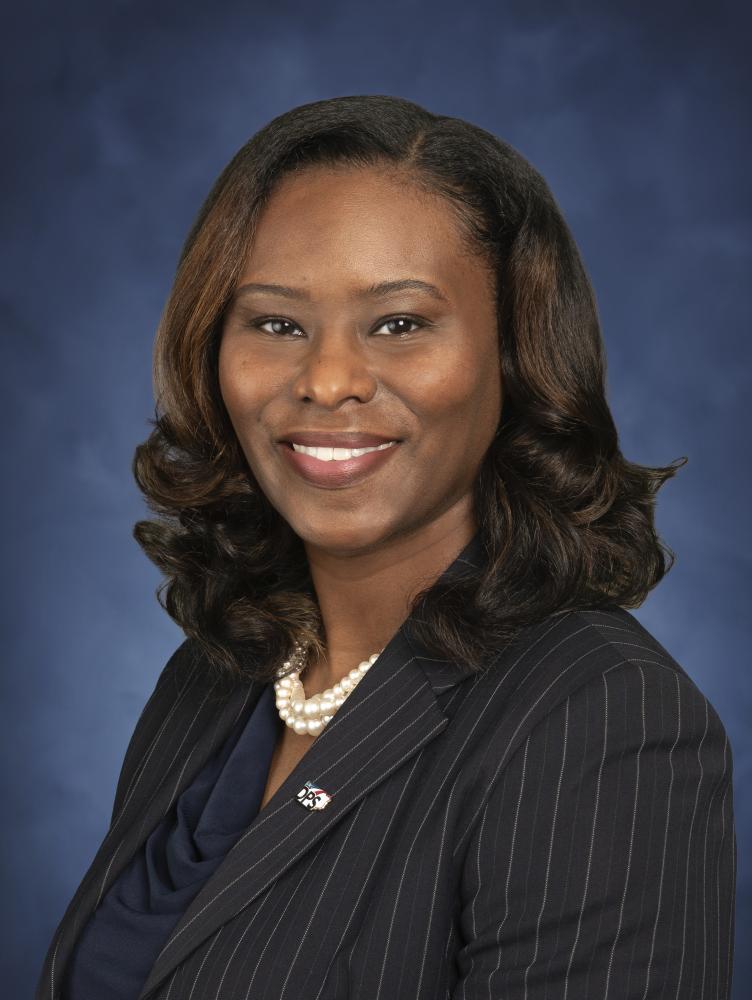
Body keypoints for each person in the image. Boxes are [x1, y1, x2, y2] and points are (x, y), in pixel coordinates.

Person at [37, 94, 736, 1000]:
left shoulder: (604, 718)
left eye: (399, 323)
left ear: (516, 354)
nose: (327, 381)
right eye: (276, 323)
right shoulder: (215, 676)